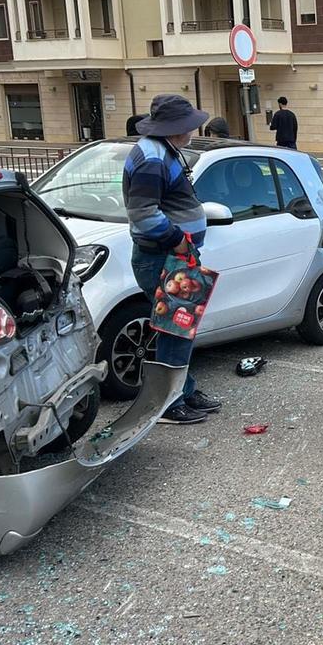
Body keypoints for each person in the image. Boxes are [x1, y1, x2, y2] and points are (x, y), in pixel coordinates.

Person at [123, 94, 223, 426]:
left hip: (169, 255)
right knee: (176, 329)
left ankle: (183, 390)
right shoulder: (152, 158)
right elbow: (143, 214)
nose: (195, 129)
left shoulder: (161, 150)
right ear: (177, 127)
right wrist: (179, 241)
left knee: (180, 328)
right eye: (191, 124)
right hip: (164, 256)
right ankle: (168, 403)